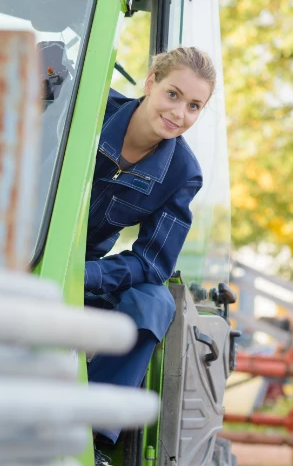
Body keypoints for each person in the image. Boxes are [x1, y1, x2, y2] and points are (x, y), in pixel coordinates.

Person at [84, 46, 214, 465]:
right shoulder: (88, 111)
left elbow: (152, 262)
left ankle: (92, 436)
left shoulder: (182, 173)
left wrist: (84, 275)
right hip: (20, 250)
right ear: (150, 82)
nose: (180, 113)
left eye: (194, 106)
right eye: (173, 94)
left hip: (85, 270)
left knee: (153, 301)